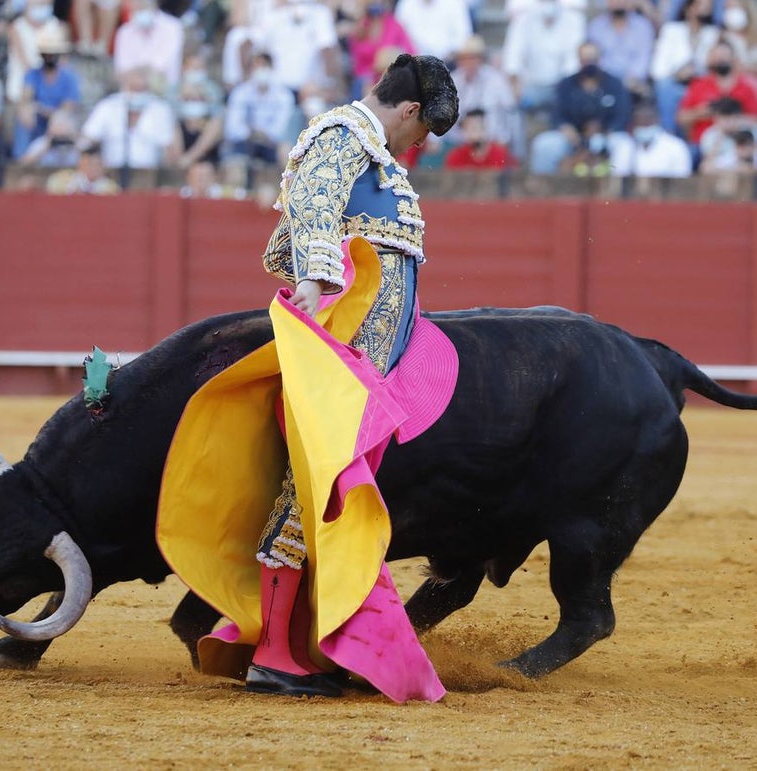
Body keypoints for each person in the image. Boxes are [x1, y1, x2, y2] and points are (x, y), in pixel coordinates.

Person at [157, 52, 460, 702]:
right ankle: (273, 654)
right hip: (336, 358)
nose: (423, 144)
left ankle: (298, 647)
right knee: (307, 496)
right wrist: (318, 289)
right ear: (409, 111)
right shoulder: (341, 136)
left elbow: (302, 230)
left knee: (325, 498)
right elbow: (314, 212)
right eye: (425, 129)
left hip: (367, 368)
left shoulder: (374, 152)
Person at [529, 41, 631, 174]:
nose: (590, 64)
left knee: (624, 145)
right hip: (573, 138)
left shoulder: (614, 84)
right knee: (545, 144)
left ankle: (619, 191)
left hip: (606, 136)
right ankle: (543, 190)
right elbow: (557, 115)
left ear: (600, 60)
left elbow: (622, 115)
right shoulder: (566, 85)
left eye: (593, 59)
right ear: (579, 60)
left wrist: (606, 131)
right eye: (586, 60)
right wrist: (566, 129)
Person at [80, 66, 176, 169]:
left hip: (149, 173)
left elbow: (169, 148)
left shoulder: (160, 109)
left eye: (142, 88)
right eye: (134, 88)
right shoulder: (108, 106)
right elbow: (89, 137)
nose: (138, 93)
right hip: (111, 171)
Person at [501, 0, 584, 115]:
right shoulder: (523, 19)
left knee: (575, 95)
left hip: (561, 84)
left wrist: (565, 87)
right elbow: (513, 57)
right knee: (509, 99)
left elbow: (573, 60)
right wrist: (516, 87)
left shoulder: (573, 20)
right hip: (531, 84)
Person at [650, 0, 720, 136]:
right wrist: (677, 74)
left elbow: (714, 66)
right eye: (701, 5)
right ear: (688, 9)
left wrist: (697, 73)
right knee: (664, 87)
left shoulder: (713, 34)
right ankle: (668, 135)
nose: (705, 10)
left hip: (701, 83)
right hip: (674, 83)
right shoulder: (671, 31)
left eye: (708, 7)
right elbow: (657, 69)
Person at [12, 20, 80, 158]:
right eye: (47, 53)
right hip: (38, 121)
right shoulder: (33, 74)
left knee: (61, 120)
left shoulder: (69, 76)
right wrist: (28, 109)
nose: (50, 57)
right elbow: (26, 98)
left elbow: (68, 108)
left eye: (53, 53)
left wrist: (45, 111)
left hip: (60, 120)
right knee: (24, 116)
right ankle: (21, 160)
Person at [224, 51, 295, 181]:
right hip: (245, 142)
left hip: (271, 144)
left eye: (265, 66)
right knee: (234, 160)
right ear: (251, 69)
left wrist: (263, 135)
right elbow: (233, 128)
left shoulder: (284, 95)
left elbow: (282, 129)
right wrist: (252, 134)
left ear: (272, 68)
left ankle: (285, 196)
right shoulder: (240, 92)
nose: (261, 70)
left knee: (285, 151)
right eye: (257, 66)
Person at [677, 41, 757, 146]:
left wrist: (733, 120)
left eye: (724, 56)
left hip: (736, 146)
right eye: (717, 57)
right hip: (701, 145)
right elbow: (681, 118)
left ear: (733, 59)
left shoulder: (746, 88)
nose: (720, 60)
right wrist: (701, 113)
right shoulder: (699, 85)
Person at [586, 0, 655, 102]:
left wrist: (632, 78)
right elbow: (595, 58)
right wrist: (612, 81)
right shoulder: (596, 26)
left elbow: (643, 58)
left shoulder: (643, 26)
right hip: (604, 81)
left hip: (634, 83)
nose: (618, 2)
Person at [112, 0, 183, 94]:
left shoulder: (173, 27)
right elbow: (121, 70)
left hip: (164, 91)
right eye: (136, 6)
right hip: (130, 92)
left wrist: (138, 71)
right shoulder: (124, 31)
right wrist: (142, 72)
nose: (139, 8)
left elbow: (162, 68)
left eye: (143, 6)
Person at [348, 0, 414, 99]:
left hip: (391, 74)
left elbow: (410, 51)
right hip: (366, 77)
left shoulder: (394, 25)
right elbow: (357, 57)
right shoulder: (362, 26)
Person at [609, 102, 695, 177]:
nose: (644, 126)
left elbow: (683, 178)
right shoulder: (624, 147)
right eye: (640, 123)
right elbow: (617, 175)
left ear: (657, 121)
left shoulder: (676, 146)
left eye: (648, 122)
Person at [394, 0, 471, 61]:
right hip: (413, 63)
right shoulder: (406, 4)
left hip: (448, 61)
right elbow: (398, 36)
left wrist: (449, 55)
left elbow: (463, 37)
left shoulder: (455, 3)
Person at [444, 107, 513, 168]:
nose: (471, 132)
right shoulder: (455, 156)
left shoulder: (501, 154)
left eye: (475, 127)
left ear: (486, 127)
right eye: (467, 128)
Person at [45, 141, 120, 192]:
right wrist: (70, 189)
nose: (93, 169)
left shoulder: (111, 188)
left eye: (97, 165)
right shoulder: (64, 179)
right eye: (89, 164)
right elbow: (51, 187)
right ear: (80, 164)